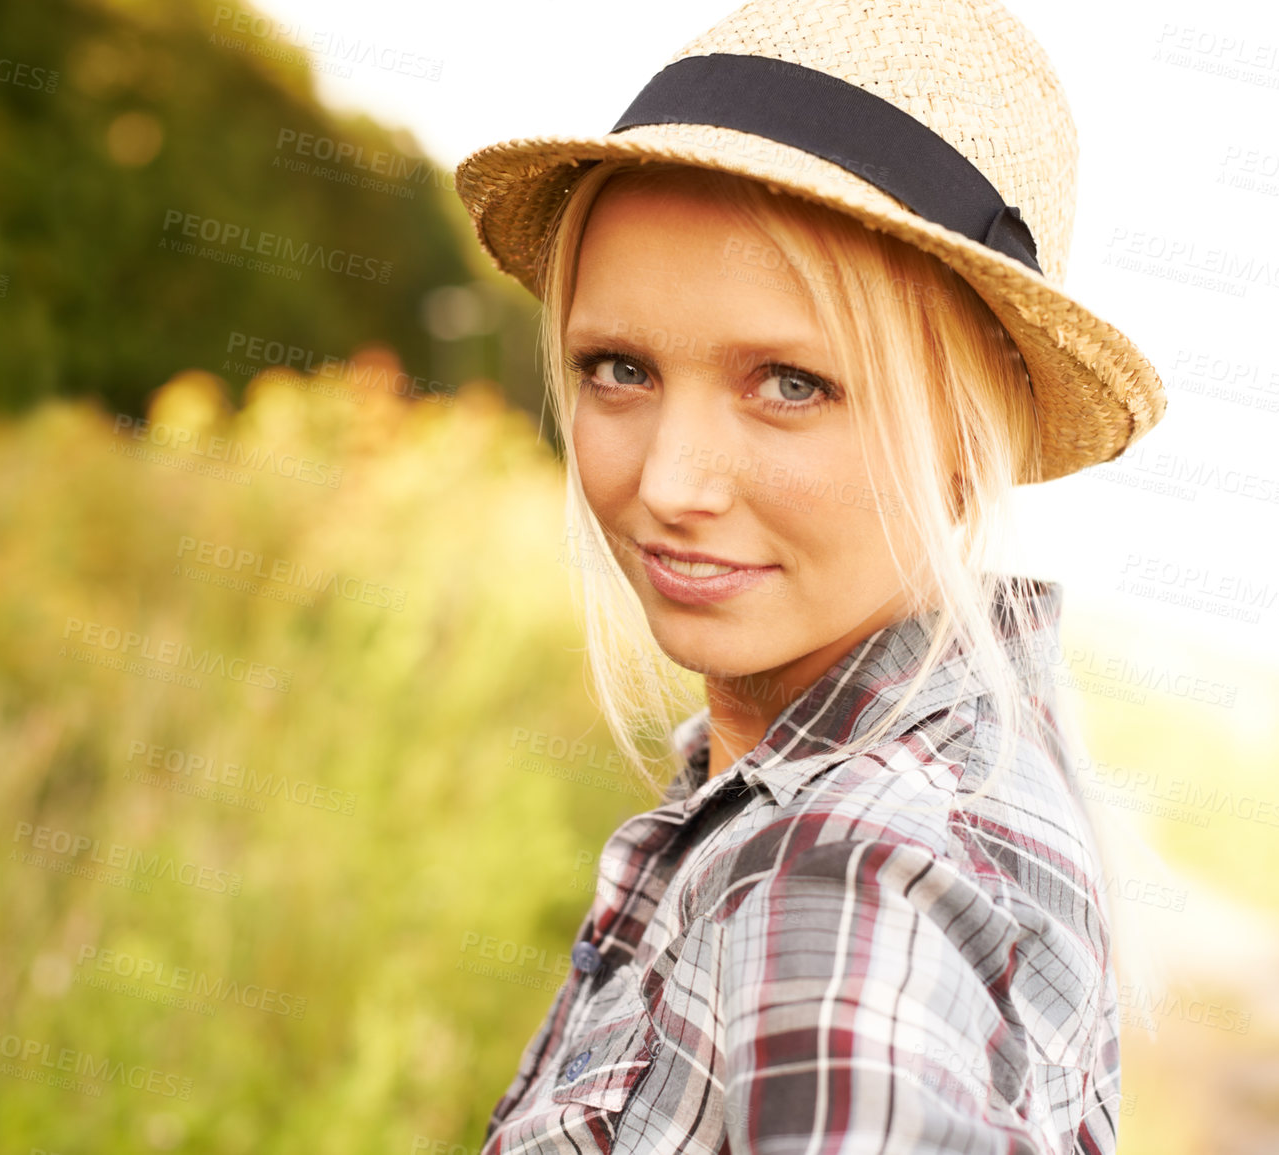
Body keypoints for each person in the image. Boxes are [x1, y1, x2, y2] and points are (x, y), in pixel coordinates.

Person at [453, 0, 1169, 1150]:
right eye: (618, 367)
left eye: (790, 383)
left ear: (968, 422)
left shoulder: (847, 881)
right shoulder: (932, 771)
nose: (674, 482)